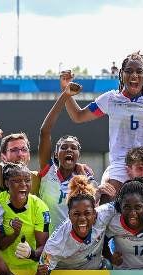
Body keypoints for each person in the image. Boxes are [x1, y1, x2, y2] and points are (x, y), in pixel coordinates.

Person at [61, 52, 143, 213]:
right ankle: (104, 238)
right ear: (121, 74)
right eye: (129, 71)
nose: (134, 75)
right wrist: (66, 91)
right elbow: (78, 116)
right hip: (121, 162)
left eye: (139, 71)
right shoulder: (110, 99)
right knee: (107, 200)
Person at [33, 177, 117, 275]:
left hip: (93, 272)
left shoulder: (104, 213)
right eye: (76, 214)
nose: (82, 219)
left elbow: (127, 204)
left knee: (107, 264)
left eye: (87, 213)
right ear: (69, 216)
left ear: (95, 214)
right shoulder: (56, 243)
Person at [38, 79, 97, 231]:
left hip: (76, 245)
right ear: (56, 154)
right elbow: (45, 131)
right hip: (49, 245)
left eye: (73, 148)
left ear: (78, 154)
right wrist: (65, 95)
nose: (69, 150)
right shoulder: (47, 170)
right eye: (64, 147)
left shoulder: (85, 176)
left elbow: (94, 208)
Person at [0, 164, 50, 271]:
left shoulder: (40, 207)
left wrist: (31, 254)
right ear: (6, 183)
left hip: (30, 270)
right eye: (17, 181)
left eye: (27, 180)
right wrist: (15, 234)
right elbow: (0, 245)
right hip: (1, 269)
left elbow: (44, 247)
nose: (23, 184)